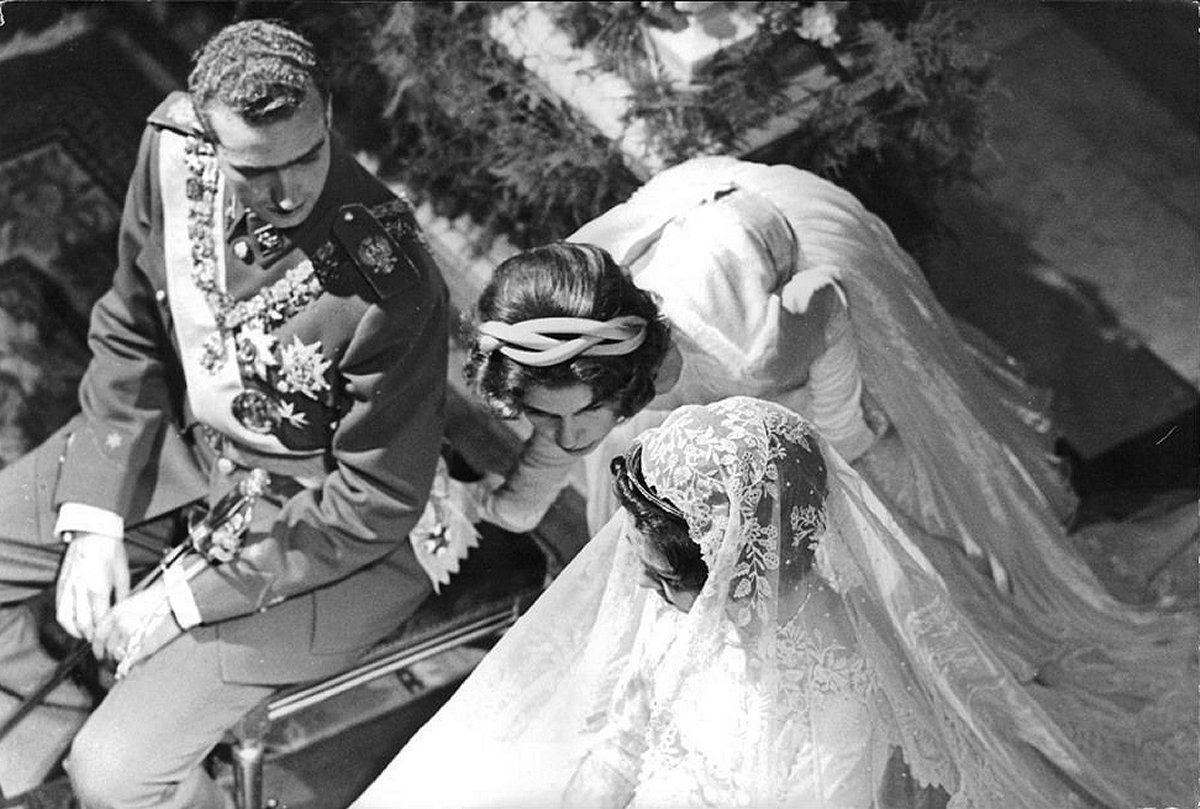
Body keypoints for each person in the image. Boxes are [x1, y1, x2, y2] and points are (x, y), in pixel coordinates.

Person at [456, 156, 1197, 799]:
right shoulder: (576, 354)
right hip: (677, 237)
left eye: (573, 415)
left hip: (790, 242)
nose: (559, 438)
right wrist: (503, 507)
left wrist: (846, 438)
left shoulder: (751, 355)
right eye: (543, 417)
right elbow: (559, 435)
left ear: (620, 381)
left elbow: (831, 299)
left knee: (901, 525)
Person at [0, 20, 449, 807]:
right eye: (255, 167)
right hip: (178, 449)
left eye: (308, 154)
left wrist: (180, 602)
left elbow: (374, 503)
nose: (287, 192)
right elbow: (133, 324)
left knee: (112, 774)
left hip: (321, 533)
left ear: (330, 116)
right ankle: (42, 720)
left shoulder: (393, 280)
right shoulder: (172, 150)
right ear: (209, 137)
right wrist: (98, 517)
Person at [352, 397, 1180, 808]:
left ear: (718, 568)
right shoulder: (697, 599)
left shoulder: (829, 690)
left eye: (658, 569)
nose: (637, 581)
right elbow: (626, 715)